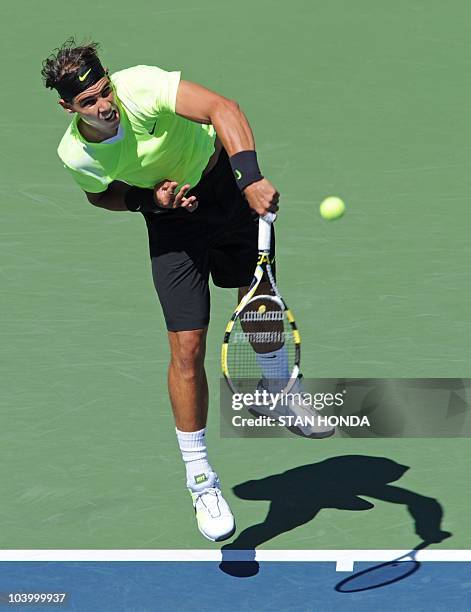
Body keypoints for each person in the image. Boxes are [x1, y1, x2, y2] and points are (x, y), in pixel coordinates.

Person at [41, 38, 281, 542]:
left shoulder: (142, 87)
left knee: (256, 299)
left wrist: (250, 178)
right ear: (68, 108)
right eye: (89, 102)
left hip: (225, 187)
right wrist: (152, 201)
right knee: (187, 348)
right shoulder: (74, 153)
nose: (104, 104)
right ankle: (201, 480)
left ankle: (281, 385)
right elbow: (102, 196)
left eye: (104, 91)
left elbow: (222, 108)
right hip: (173, 227)